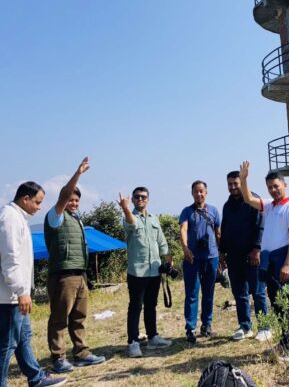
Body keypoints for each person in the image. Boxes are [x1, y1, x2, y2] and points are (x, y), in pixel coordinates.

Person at [0, 181, 67, 386]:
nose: (39, 207)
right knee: (7, 343)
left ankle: (36, 378)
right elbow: (10, 258)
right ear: (25, 199)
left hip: (17, 293)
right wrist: (21, 291)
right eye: (37, 202)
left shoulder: (18, 217)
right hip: (10, 295)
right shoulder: (10, 218)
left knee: (23, 337)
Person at [239, 161, 289, 351]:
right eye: (270, 187)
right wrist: (243, 180)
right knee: (278, 304)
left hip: (284, 261)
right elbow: (248, 199)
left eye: (276, 186)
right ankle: (285, 342)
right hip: (270, 262)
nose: (273, 190)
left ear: (284, 185)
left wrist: (287, 264)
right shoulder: (270, 206)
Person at [44, 157, 105, 373]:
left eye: (77, 201)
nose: (74, 203)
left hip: (80, 275)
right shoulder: (56, 217)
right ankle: (58, 358)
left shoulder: (76, 219)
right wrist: (78, 173)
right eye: (71, 200)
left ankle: (81, 354)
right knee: (59, 318)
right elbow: (64, 194)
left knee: (79, 317)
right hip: (63, 275)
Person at [118, 187, 173, 358]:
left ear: (148, 199)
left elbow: (161, 241)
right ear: (133, 200)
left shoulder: (153, 219)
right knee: (135, 307)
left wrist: (168, 258)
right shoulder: (129, 217)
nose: (140, 199)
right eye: (137, 197)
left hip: (154, 270)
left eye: (143, 197)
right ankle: (133, 342)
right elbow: (132, 223)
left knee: (151, 305)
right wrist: (125, 208)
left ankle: (153, 337)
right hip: (137, 271)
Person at [219, 170, 270, 342]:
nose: (233, 187)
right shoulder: (227, 206)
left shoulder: (253, 200)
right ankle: (245, 326)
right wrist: (222, 252)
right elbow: (224, 229)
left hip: (252, 255)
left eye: (236, 183)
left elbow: (261, 226)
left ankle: (265, 327)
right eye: (230, 184)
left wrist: (257, 249)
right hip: (234, 256)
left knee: (258, 291)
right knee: (239, 293)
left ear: (242, 183)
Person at [179, 181, 221, 344]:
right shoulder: (187, 211)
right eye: (196, 191)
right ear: (192, 193)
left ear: (206, 192)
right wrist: (185, 248)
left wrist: (222, 255)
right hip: (192, 258)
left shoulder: (214, 211)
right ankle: (190, 328)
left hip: (211, 257)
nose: (199, 194)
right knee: (192, 294)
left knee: (208, 293)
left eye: (202, 191)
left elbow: (218, 233)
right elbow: (183, 229)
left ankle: (207, 325)